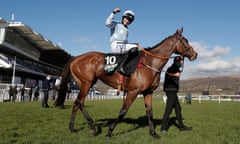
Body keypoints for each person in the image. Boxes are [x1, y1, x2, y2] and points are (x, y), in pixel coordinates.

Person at [161, 56, 192, 132]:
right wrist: (174, 75)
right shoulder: (171, 69)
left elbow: (180, 67)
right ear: (177, 61)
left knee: (178, 109)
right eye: (180, 61)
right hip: (170, 91)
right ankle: (163, 128)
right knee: (169, 109)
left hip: (173, 91)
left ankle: (181, 127)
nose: (181, 63)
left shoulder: (176, 68)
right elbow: (169, 76)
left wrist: (183, 58)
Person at [105, 7, 138, 76]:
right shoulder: (116, 24)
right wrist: (114, 12)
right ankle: (121, 67)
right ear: (123, 17)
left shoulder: (127, 30)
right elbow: (107, 23)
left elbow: (125, 42)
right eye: (126, 18)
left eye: (129, 20)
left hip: (121, 46)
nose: (127, 21)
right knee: (135, 47)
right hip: (115, 45)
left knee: (135, 47)